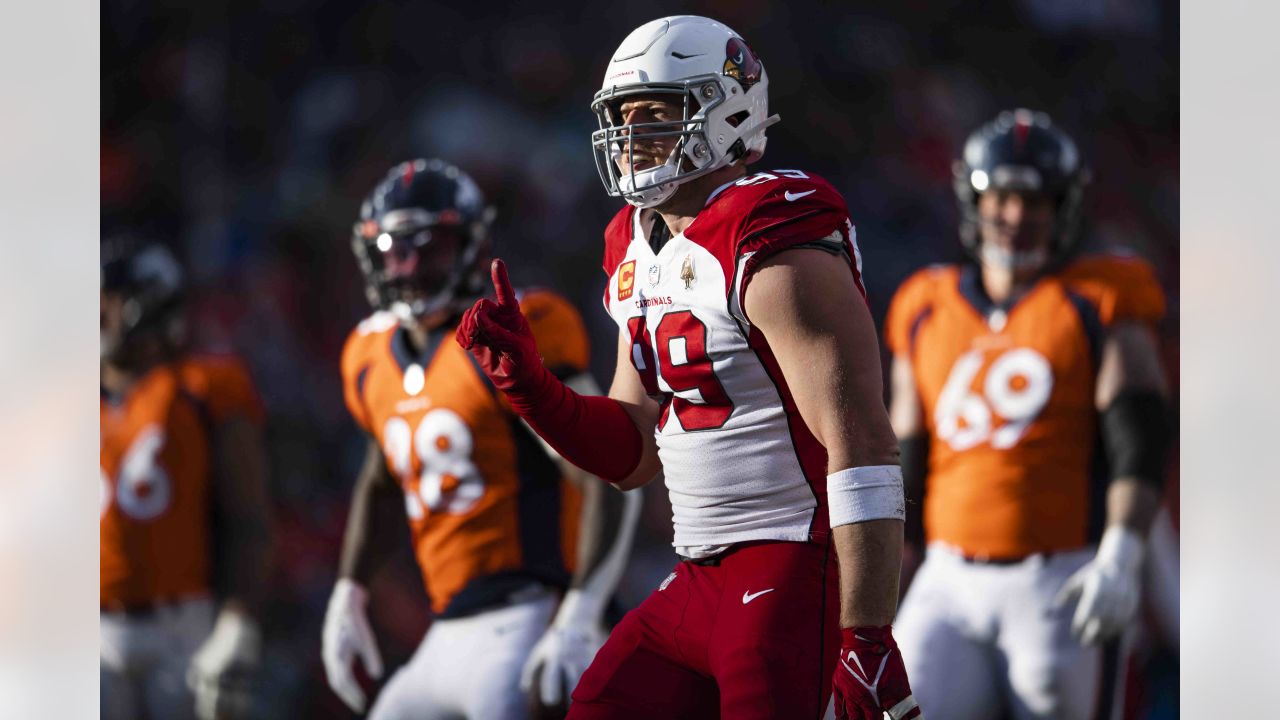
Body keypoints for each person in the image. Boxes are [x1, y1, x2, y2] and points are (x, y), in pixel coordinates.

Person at [457, 16, 920, 720]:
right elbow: (634, 450)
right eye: (622, 116)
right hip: (699, 573)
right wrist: (533, 390)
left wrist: (869, 637)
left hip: (794, 565)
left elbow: (863, 448)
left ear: (728, 109)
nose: (632, 135)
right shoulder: (631, 247)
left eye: (656, 113)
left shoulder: (771, 241)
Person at [322, 159, 641, 720]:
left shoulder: (506, 329)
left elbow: (606, 475)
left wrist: (581, 611)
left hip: (529, 613)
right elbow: (380, 477)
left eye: (428, 246)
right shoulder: (369, 355)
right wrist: (348, 591)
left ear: (470, 244)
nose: (409, 265)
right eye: (394, 248)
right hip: (445, 627)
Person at [884, 109, 1170, 720]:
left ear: (1063, 207)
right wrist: (879, 573)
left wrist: (1122, 554)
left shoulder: (1100, 297)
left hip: (1059, 576)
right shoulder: (924, 305)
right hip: (947, 577)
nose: (1016, 218)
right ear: (973, 199)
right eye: (1004, 198)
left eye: (1035, 201)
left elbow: (1137, 437)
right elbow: (904, 464)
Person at [100, 239, 274, 720]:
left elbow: (249, 518)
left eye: (102, 298)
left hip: (183, 629)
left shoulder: (205, 386)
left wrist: (239, 621)